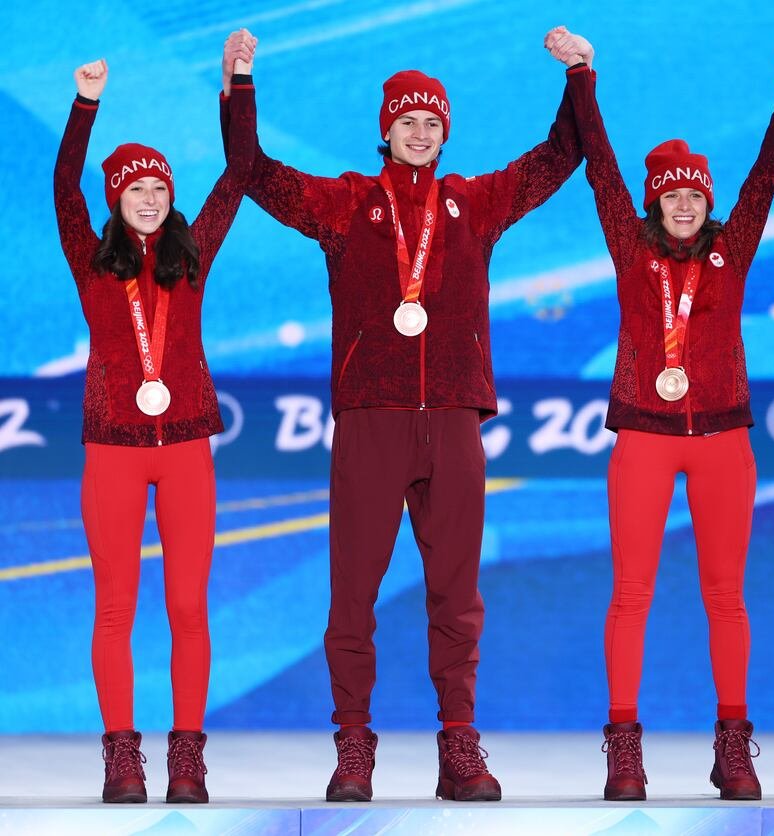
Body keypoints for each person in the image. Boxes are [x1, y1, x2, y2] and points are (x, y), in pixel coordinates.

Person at [219, 31, 584, 802]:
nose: (419, 132)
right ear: (384, 128)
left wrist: (579, 74)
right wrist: (240, 83)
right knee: (353, 593)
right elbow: (255, 174)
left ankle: (459, 748)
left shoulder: (473, 205)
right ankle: (354, 748)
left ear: (445, 133)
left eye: (432, 122)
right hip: (373, 418)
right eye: (406, 120)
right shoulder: (348, 203)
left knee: (456, 592)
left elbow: (559, 157)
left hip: (452, 415)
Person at [545, 26, 774, 801]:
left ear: (708, 201)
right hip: (644, 439)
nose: (686, 205)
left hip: (724, 438)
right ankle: (623, 749)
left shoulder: (735, 247)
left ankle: (734, 748)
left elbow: (769, 171)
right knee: (631, 593)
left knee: (725, 595)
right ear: (656, 200)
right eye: (673, 194)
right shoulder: (632, 249)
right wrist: (583, 77)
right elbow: (599, 165)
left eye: (696, 194)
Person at [53, 36, 257, 804]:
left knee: (187, 606)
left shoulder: (192, 253)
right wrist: (85, 104)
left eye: (159, 188)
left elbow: (239, 175)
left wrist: (237, 84)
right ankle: (121, 757)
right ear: (117, 197)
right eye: (136, 188)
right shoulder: (89, 258)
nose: (150, 197)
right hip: (112, 446)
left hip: (187, 450)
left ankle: (187, 757)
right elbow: (63, 184)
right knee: (115, 604)